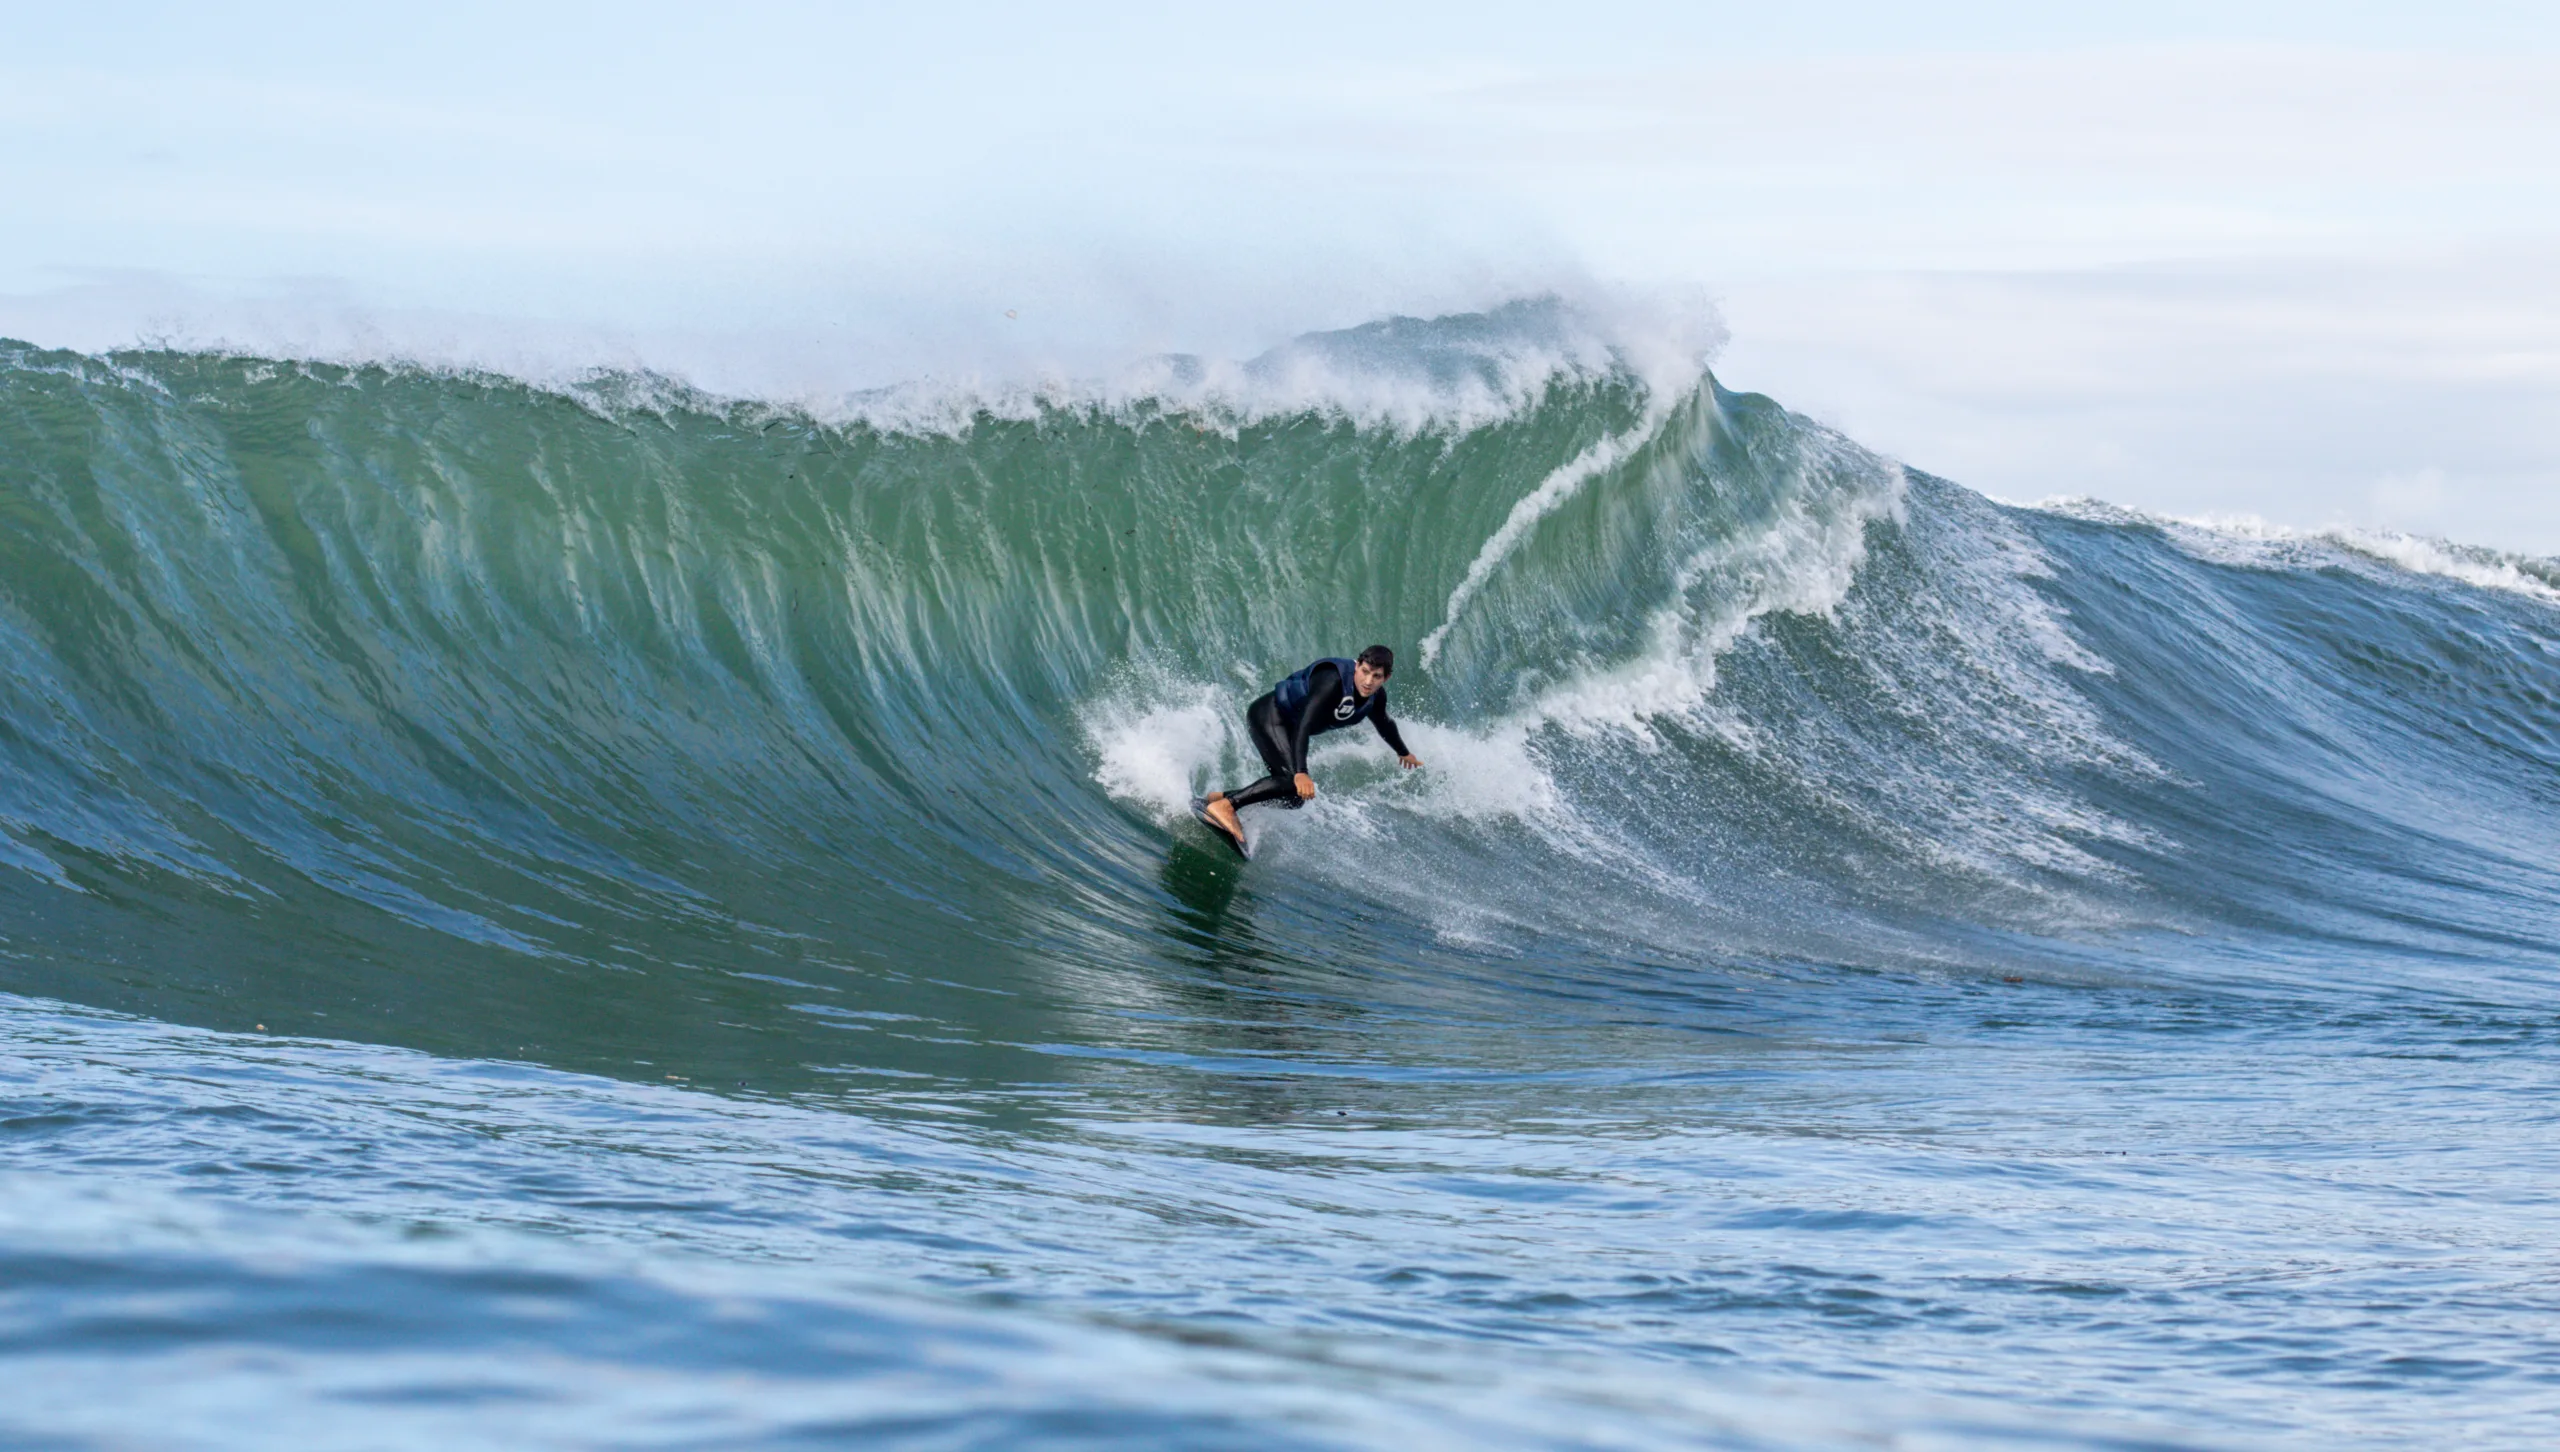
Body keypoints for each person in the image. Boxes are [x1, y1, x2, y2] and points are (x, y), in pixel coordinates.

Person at [1194, 645, 1421, 853]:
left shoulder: (1375, 697)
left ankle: (1221, 798)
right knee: (1292, 781)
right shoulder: (1332, 680)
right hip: (1270, 717)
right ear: (1357, 666)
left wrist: (1403, 752)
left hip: (1289, 729)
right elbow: (1305, 722)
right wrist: (1302, 772)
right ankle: (1226, 807)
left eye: (1376, 676)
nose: (1368, 681)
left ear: (1386, 678)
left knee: (1295, 799)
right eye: (1365, 671)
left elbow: (1384, 723)